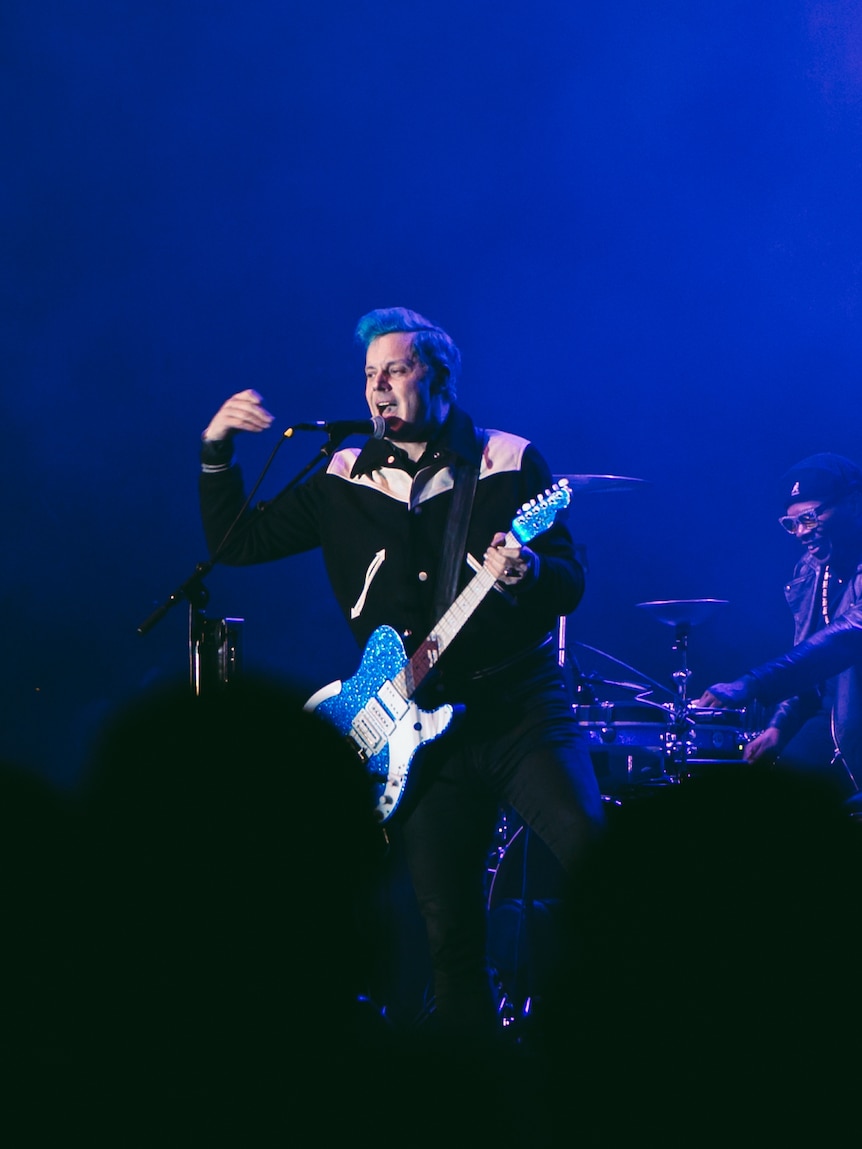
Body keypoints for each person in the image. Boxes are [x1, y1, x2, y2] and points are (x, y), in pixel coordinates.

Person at [198, 305, 606, 1040]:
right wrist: (216, 449)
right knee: (449, 936)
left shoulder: (506, 461)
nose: (378, 388)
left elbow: (571, 579)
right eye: (368, 376)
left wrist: (531, 569)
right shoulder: (342, 475)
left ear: (439, 376)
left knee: (599, 863)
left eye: (395, 370)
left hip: (519, 709)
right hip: (416, 736)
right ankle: (475, 1103)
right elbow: (237, 541)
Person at [695, 452, 862, 799]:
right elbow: (808, 654)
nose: (801, 532)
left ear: (854, 504)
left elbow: (845, 640)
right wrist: (779, 728)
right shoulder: (812, 571)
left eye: (811, 518)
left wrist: (751, 683)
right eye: (792, 523)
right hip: (834, 722)